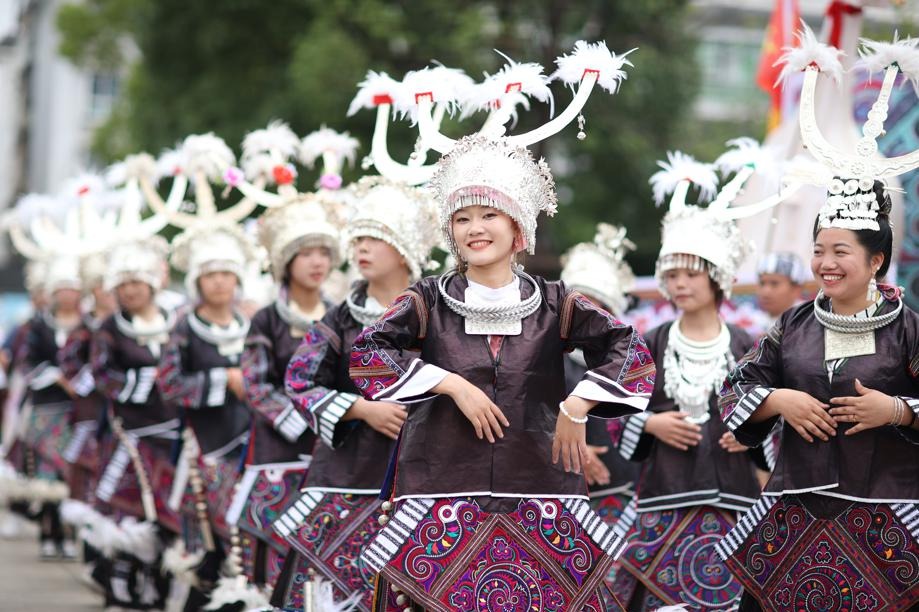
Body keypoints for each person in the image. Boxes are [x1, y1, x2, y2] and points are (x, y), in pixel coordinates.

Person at [349, 134, 654, 611]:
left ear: (519, 231)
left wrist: (578, 404)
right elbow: (368, 352)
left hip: (541, 490)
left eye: (489, 215)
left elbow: (629, 349)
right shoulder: (426, 300)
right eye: (462, 218)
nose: (475, 227)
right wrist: (449, 384)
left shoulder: (556, 302)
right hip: (442, 489)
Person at [717, 34, 919, 610]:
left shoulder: (909, 328)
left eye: (841, 252)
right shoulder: (794, 325)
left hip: (889, 520)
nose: (825, 264)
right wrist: (778, 400)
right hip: (796, 515)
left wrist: (898, 409)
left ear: (876, 259)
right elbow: (738, 385)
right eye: (819, 250)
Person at [612, 152, 766, 611]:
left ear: (717, 278)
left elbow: (772, 412)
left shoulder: (748, 346)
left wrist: (754, 433)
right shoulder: (649, 342)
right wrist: (650, 425)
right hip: (665, 495)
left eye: (691, 273)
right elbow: (617, 409)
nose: (680, 284)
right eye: (672, 274)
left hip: (734, 499)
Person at [278, 176, 440, 610]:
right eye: (358, 239)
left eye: (375, 238)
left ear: (404, 247)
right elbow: (298, 381)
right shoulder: (340, 319)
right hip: (345, 478)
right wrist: (359, 409)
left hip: (424, 480)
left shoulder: (438, 313)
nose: (361, 248)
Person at [157, 222, 256, 608]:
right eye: (211, 275)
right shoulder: (183, 327)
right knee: (210, 536)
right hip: (204, 444)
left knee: (239, 534)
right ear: (198, 281)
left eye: (226, 274)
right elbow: (169, 384)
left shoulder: (251, 325)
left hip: (249, 441)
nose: (219, 283)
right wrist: (223, 380)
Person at [90, 235, 178, 610]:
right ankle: (118, 583)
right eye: (122, 284)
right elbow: (101, 374)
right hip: (130, 435)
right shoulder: (108, 328)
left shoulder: (178, 322)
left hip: (174, 436)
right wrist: (147, 379)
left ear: (152, 285)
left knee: (166, 517)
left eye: (136, 283)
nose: (129, 291)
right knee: (128, 515)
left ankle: (155, 582)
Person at [559, 223, 642, 589]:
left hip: (618, 487)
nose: (585, 312)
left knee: (611, 587)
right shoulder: (541, 356)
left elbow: (638, 415)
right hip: (558, 489)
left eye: (595, 305)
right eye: (578, 302)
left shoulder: (627, 360)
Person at [21, 256, 84, 560]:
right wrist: (58, 377)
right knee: (46, 476)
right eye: (62, 289)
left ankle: (69, 534)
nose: (67, 295)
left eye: (72, 289)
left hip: (77, 411)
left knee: (71, 474)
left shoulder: (88, 325)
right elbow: (28, 362)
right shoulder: (39, 324)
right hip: (48, 409)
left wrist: (79, 382)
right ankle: (48, 533)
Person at [755, 251, 807, 322]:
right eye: (762, 283)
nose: (765, 291)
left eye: (774, 283)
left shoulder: (807, 322)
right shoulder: (754, 321)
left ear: (796, 289)